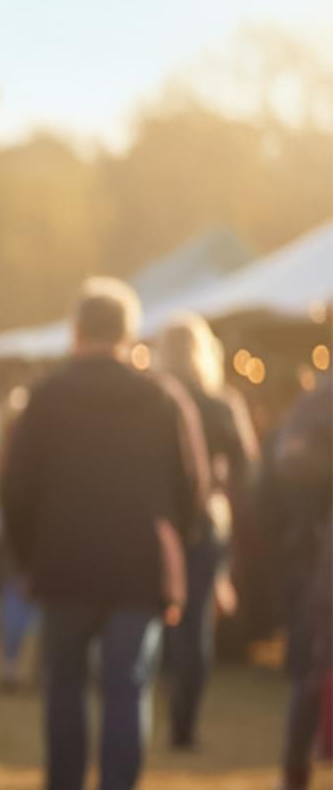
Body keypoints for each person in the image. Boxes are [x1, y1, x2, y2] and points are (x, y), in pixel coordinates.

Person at [0, 279, 207, 790]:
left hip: (63, 562)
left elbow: (16, 490)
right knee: (127, 687)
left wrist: (27, 557)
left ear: (76, 331)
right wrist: (175, 546)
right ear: (129, 333)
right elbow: (192, 487)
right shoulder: (163, 397)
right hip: (140, 564)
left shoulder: (46, 397)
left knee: (64, 686)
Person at [155, 313, 260, 748]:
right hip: (207, 523)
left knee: (156, 619)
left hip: (161, 524)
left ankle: (151, 708)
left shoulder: (156, 401)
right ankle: (184, 725)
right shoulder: (220, 404)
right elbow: (248, 469)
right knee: (195, 625)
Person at [259, 376, 331, 790]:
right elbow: (287, 467)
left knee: (316, 665)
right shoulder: (319, 404)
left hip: (315, 549)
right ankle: (294, 773)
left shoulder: (314, 403)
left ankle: (294, 774)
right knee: (317, 665)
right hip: (320, 548)